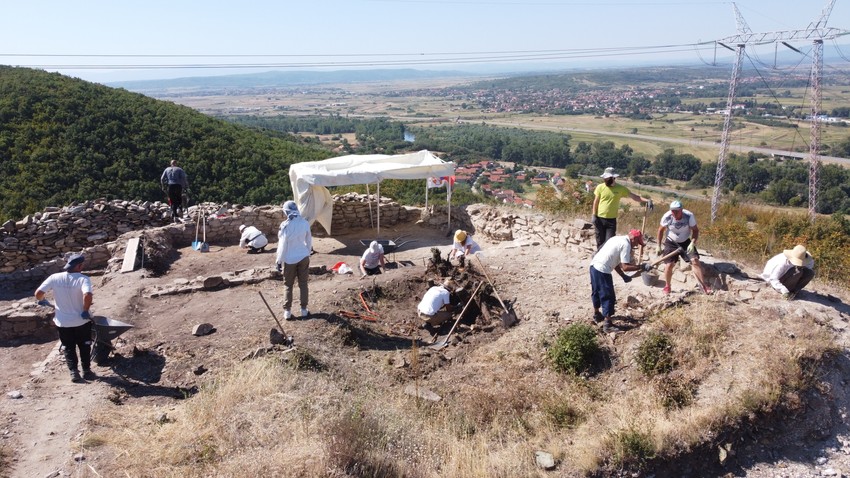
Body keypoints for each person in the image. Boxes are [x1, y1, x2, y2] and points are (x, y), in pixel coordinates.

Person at [34, 253, 95, 383]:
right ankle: (87, 371)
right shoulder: (83, 279)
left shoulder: (54, 277)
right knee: (84, 345)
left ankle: (74, 373)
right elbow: (88, 295)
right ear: (79, 266)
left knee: (68, 347)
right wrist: (85, 310)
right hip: (81, 321)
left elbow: (38, 293)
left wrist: (42, 300)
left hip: (63, 322)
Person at [590, 229, 649, 333]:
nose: (636, 246)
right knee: (608, 296)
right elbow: (625, 267)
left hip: (594, 266)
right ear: (633, 239)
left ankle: (597, 314)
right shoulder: (626, 245)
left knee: (596, 291)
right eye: (637, 243)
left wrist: (622, 276)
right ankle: (608, 325)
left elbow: (615, 261)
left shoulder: (616, 239)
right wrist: (641, 267)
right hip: (603, 270)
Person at [655, 200, 712, 295]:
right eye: (672, 211)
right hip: (671, 242)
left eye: (676, 211)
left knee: (695, 261)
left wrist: (692, 243)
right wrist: (658, 245)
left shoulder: (689, 216)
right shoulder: (667, 216)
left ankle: (704, 286)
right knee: (669, 264)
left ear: (681, 210)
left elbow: (695, 230)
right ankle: (667, 286)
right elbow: (660, 230)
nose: (674, 213)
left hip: (686, 242)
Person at [592, 167, 653, 250]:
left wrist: (647, 200)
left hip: (611, 220)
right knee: (600, 241)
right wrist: (594, 215)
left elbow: (634, 197)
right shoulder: (600, 187)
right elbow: (596, 201)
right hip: (599, 218)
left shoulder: (620, 189)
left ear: (613, 178)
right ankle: (598, 257)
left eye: (607, 178)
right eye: (604, 178)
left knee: (609, 242)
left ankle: (600, 255)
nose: (605, 180)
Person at [275, 200, 312, 320]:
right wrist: (307, 252)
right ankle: (304, 310)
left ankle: (287, 311)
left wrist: (279, 260)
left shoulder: (285, 225)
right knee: (303, 284)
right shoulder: (305, 222)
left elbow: (282, 245)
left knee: (288, 285)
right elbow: (309, 240)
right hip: (303, 256)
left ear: (286, 211)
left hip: (290, 259)